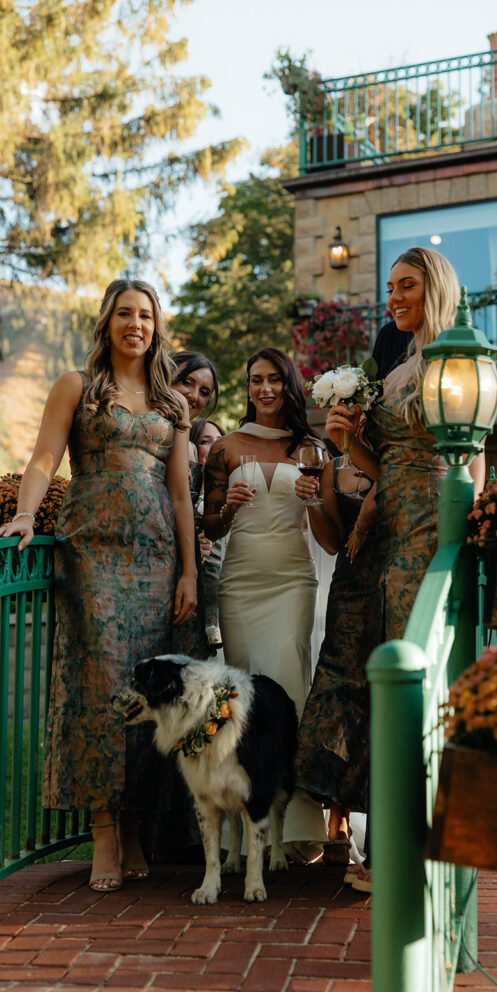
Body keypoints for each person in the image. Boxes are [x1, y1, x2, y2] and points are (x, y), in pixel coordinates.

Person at [0, 279, 197, 893]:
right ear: (108, 320)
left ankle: (135, 823)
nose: (136, 324)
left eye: (146, 316)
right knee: (101, 686)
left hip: (158, 559)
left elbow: (182, 492)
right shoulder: (76, 387)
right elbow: (42, 459)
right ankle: (103, 829)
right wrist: (28, 514)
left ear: (157, 327)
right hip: (94, 557)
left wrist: (188, 570)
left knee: (148, 689)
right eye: (125, 314)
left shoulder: (173, 404)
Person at [325, 247, 486, 890]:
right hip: (388, 531)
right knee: (382, 684)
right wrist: (345, 442)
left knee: (420, 679)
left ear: (434, 288)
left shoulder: (456, 361)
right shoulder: (397, 368)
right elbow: (383, 468)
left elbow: (471, 461)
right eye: (389, 287)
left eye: (407, 286)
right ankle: (395, 840)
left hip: (431, 535)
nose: (393, 298)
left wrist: (463, 543)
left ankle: (422, 847)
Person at [203, 347, 327, 857]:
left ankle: (296, 825)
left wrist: (315, 495)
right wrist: (227, 510)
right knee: (243, 699)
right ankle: (245, 830)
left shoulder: (311, 449)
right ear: (248, 386)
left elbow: (328, 527)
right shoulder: (225, 449)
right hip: (241, 582)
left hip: (292, 581)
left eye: (275, 379)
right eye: (256, 380)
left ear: (289, 385)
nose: (266, 389)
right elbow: (209, 527)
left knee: (289, 686)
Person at [293, 460, 379, 872]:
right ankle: (337, 822)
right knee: (336, 692)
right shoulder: (332, 468)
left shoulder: (393, 451)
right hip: (349, 587)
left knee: (378, 699)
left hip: (391, 582)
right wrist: (311, 500)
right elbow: (331, 543)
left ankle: (377, 823)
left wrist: (366, 516)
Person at [168, 351, 220, 661]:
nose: (194, 396)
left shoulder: (186, 440)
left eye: (204, 392)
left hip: (187, 567)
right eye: (186, 382)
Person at [189, 417, 226, 648]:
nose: (215, 448)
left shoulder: (232, 482)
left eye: (220, 441)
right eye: (206, 441)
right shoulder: (186, 483)